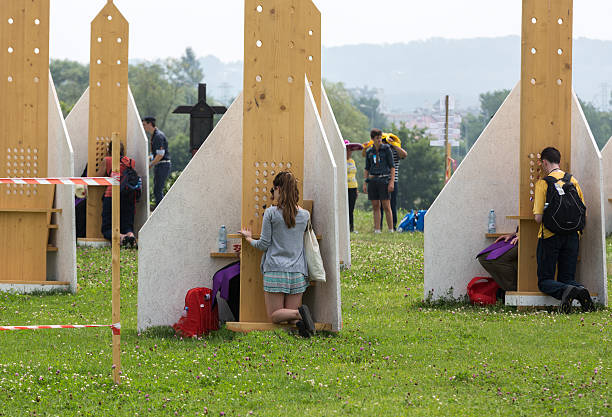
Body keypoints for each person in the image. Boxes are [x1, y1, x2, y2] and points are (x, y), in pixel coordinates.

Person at [239, 171, 316, 337]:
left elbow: (264, 244)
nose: (271, 194)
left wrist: (248, 238)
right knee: (289, 316)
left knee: (275, 316)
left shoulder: (271, 213)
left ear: (278, 189)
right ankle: (301, 323)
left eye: (272, 191)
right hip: (297, 272)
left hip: (275, 270)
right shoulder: (304, 215)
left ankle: (299, 314)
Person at [534, 147, 594, 313]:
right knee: (567, 278)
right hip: (573, 236)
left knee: (545, 280)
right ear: (558, 161)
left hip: (549, 236)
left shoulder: (543, 183)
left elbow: (538, 218)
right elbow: (583, 211)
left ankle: (566, 291)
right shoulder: (573, 180)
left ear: (544, 162)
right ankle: (580, 290)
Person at [97, 141, 137, 247]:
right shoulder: (130, 161)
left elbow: (98, 178)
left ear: (109, 149)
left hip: (111, 195)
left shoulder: (108, 160)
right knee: (127, 225)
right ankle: (131, 236)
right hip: (128, 196)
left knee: (107, 227)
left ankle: (122, 238)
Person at [363, 128, 395, 233]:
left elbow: (392, 166)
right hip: (373, 180)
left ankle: (391, 229)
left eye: (380, 138)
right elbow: (367, 168)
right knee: (375, 205)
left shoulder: (386, 149)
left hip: (384, 179)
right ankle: (377, 229)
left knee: (386, 205)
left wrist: (391, 182)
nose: (379, 140)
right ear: (372, 139)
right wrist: (365, 182)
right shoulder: (369, 151)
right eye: (377, 138)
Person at [476, 232, 518, 298]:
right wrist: (512, 235)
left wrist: (522, 236)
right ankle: (506, 289)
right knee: (483, 258)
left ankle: (513, 291)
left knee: (498, 259)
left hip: (528, 240)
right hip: (515, 238)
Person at [379, 134, 407, 230]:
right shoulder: (381, 151)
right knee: (380, 205)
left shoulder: (395, 151)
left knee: (392, 204)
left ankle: (393, 226)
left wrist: (394, 144)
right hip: (381, 180)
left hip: (393, 181)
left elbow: (404, 154)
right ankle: (379, 226)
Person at [142, 116, 171, 209]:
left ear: (150, 124)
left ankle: (160, 211)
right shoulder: (154, 136)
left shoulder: (158, 136)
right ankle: (160, 210)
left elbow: (160, 155)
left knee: (158, 190)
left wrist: (150, 165)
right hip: (159, 165)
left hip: (163, 164)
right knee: (156, 189)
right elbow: (154, 154)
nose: (143, 127)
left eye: (144, 124)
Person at [345, 140, 363, 233]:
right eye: (347, 150)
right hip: (345, 188)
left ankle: (351, 228)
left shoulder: (352, 161)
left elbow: (354, 174)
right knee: (345, 208)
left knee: (351, 209)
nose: (349, 152)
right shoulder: (341, 161)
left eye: (350, 150)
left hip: (353, 187)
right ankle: (345, 228)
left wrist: (356, 189)